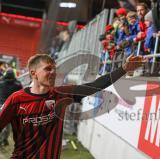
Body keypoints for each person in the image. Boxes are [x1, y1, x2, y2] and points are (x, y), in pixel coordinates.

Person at [0, 53, 146, 158]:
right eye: (48, 69)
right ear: (33, 73)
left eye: (54, 69)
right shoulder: (16, 100)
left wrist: (124, 69)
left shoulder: (62, 94)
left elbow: (95, 85)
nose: (53, 72)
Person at [0, 69, 22, 146]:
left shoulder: (1, 83)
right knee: (8, 125)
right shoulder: (18, 84)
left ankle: (2, 139)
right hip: (12, 106)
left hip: (2, 105)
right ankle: (4, 139)